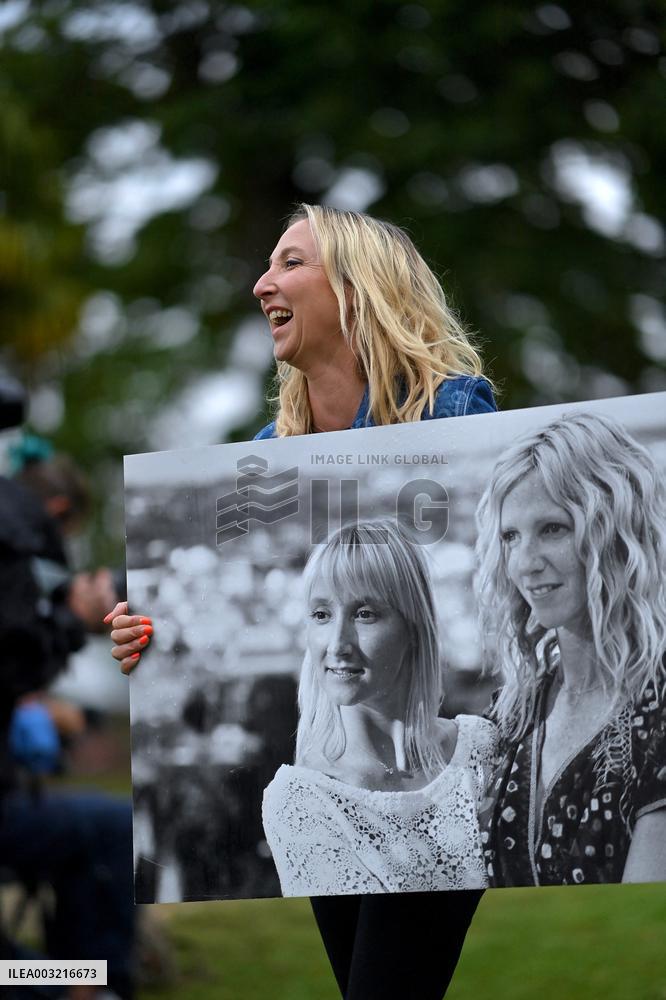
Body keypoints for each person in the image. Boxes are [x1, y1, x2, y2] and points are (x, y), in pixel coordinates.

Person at [107, 203, 498, 1000]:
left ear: (357, 287)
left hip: (420, 773)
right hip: (324, 782)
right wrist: (143, 634)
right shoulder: (262, 457)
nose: (262, 284)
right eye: (268, 264)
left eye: (290, 263)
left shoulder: (454, 408)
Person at [475, 411, 666, 887]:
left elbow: (639, 928)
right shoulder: (511, 714)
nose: (525, 563)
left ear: (616, 532)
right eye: (511, 537)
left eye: (553, 529)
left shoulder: (659, 708)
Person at [262, 520, 497, 896]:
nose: (337, 643)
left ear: (414, 627)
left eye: (364, 614)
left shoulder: (481, 746)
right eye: (321, 615)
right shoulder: (304, 800)